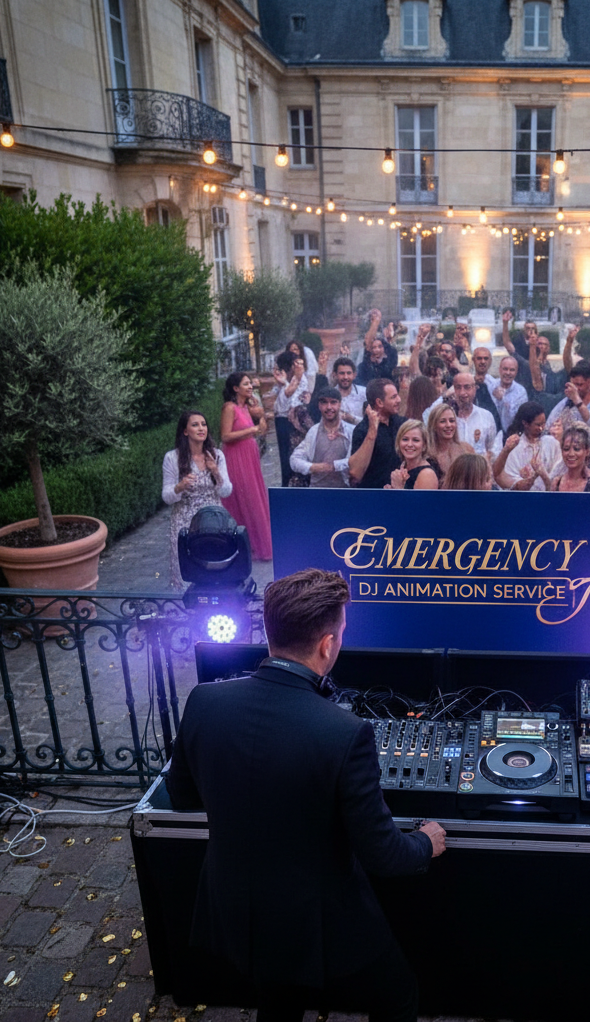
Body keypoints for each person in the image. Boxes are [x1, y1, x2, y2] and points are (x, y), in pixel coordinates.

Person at [165, 569, 446, 1022]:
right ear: (327, 645)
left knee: (279, 999)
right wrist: (425, 843)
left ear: (271, 632)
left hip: (235, 907)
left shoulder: (204, 701)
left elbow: (180, 795)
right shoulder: (345, 733)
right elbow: (383, 855)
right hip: (318, 924)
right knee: (399, 997)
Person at [162, 410, 233, 588]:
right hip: (185, 522)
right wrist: (179, 487)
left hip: (214, 521)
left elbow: (226, 491)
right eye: (195, 425)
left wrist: (215, 471)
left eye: (204, 424)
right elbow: (166, 497)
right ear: (185, 431)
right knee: (188, 571)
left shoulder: (216, 455)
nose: (201, 428)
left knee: (216, 570)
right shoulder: (172, 458)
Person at [219, 372, 272, 561]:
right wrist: (251, 430)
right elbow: (225, 436)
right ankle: (245, 546)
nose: (251, 387)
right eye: (246, 384)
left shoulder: (246, 406)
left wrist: (259, 415)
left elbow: (262, 429)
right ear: (236, 388)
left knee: (255, 496)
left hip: (250, 456)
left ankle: (259, 545)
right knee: (246, 497)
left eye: (250, 383)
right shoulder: (229, 408)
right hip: (236, 457)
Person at [546, 359, 590, 466]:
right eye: (573, 385)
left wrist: (577, 401)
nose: (576, 389)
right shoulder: (566, 401)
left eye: (579, 385)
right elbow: (549, 424)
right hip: (570, 456)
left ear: (589, 383)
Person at [290, 387, 355, 488]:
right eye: (324, 402)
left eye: (333, 402)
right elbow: (294, 460)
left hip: (345, 490)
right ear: (319, 406)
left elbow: (358, 461)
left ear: (340, 404)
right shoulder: (313, 432)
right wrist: (314, 467)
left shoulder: (351, 431)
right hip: (317, 490)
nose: (329, 407)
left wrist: (335, 466)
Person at [349, 378, 405, 488]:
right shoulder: (362, 430)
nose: (399, 400)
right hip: (372, 494)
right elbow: (355, 473)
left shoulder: (402, 424)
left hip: (399, 492)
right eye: (393, 397)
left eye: (397, 395)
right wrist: (372, 433)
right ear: (379, 402)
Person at [427, 373, 497, 461]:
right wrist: (445, 395)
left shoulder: (486, 416)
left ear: (475, 389)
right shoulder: (447, 418)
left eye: (467, 387)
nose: (462, 392)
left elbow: (492, 449)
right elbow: (427, 417)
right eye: (458, 387)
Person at [494, 401, 562, 491]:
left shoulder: (552, 443)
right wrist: (526, 481)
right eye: (538, 425)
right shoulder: (516, 447)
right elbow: (508, 480)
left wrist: (543, 474)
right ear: (525, 423)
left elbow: (559, 473)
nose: (542, 428)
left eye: (543, 423)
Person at [272, 351, 312, 488]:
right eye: (296, 364)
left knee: (300, 457)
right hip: (284, 423)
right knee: (286, 458)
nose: (299, 367)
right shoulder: (284, 383)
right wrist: (286, 383)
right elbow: (286, 404)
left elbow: (299, 401)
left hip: (298, 422)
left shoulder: (301, 379)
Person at [551, 425, 590, 493]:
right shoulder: (556, 483)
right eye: (566, 449)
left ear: (587, 451)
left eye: (577, 449)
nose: (571, 454)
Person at [426, 402, 474, 484]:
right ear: (433, 425)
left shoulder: (467, 449)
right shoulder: (427, 455)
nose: (448, 425)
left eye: (452, 421)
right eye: (443, 421)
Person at [388, 419, 439, 490]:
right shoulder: (402, 466)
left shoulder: (427, 474)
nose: (409, 444)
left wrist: (398, 488)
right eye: (405, 439)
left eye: (415, 440)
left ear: (424, 445)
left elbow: (420, 499)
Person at [357, 310, 399, 386]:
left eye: (380, 346)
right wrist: (376, 321)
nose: (377, 350)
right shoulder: (366, 363)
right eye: (374, 347)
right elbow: (368, 342)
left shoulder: (390, 358)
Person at [470, 346, 504, 432]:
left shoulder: (497, 384)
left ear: (490, 361)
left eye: (486, 358)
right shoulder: (466, 382)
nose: (483, 362)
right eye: (479, 358)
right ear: (473, 360)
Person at [491, 356, 527, 433]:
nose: (508, 373)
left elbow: (518, 419)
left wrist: (503, 401)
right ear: (499, 370)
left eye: (512, 370)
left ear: (516, 372)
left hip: (510, 433)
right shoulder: (492, 386)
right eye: (505, 369)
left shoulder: (521, 392)